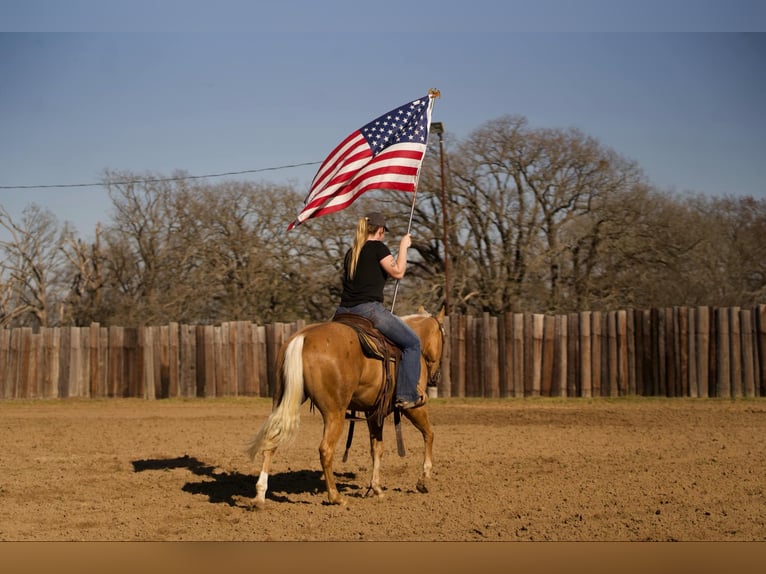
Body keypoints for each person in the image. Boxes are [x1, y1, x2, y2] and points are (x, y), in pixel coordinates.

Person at [335, 212, 424, 410]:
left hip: (342, 312)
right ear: (381, 230)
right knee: (412, 343)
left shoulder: (352, 251)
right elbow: (398, 272)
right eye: (384, 232)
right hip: (368, 310)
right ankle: (406, 395)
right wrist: (403, 247)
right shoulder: (378, 248)